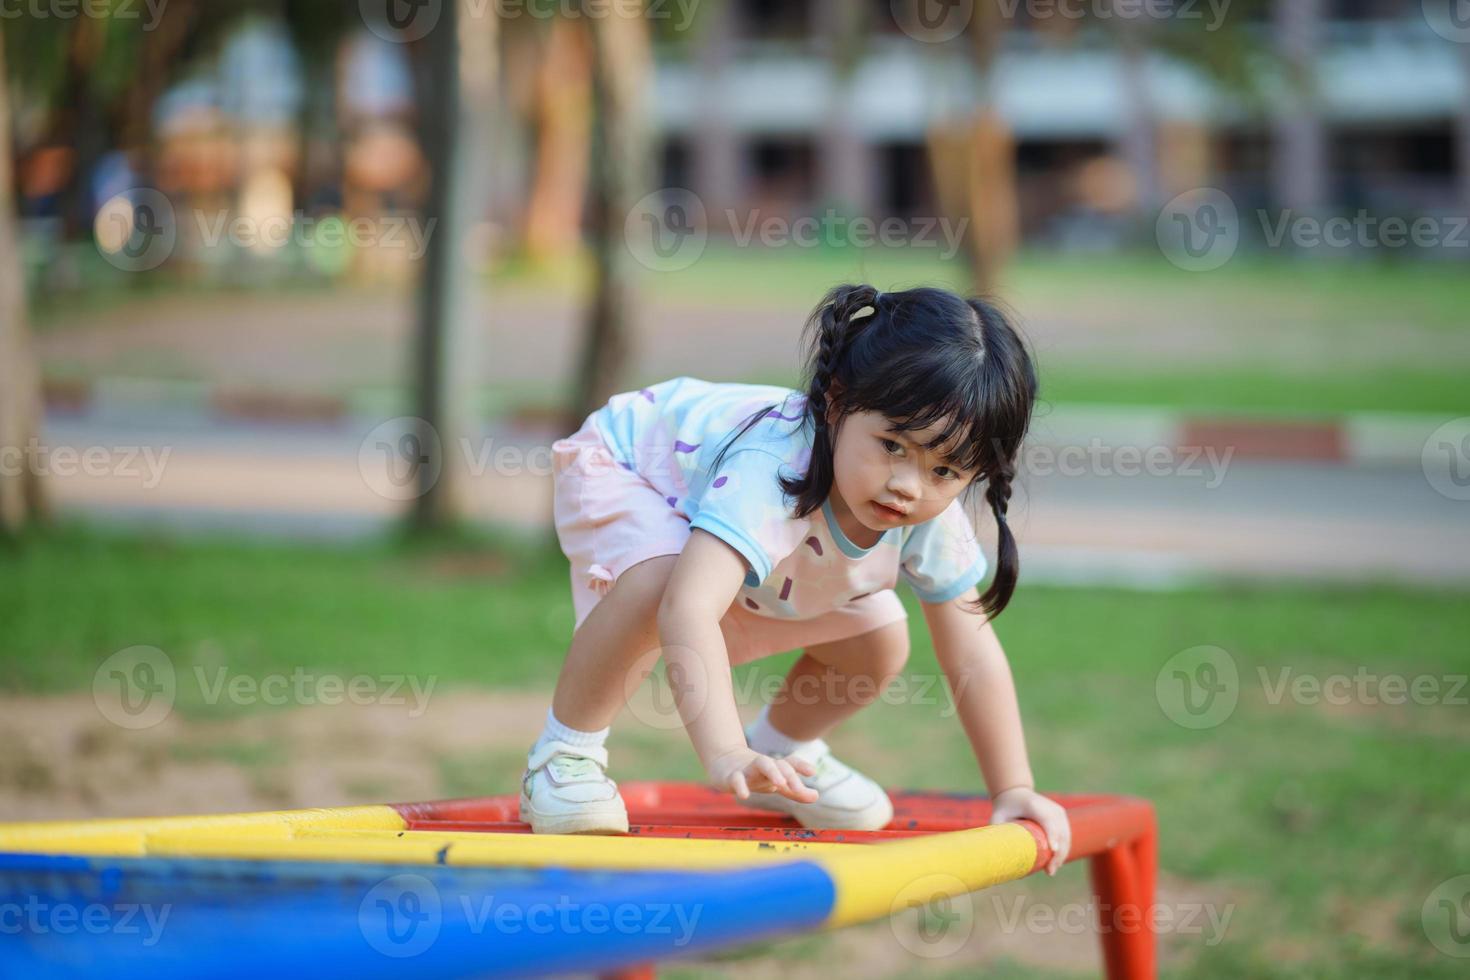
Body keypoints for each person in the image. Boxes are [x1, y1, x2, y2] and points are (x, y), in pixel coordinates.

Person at [520, 282, 1072, 874]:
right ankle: (564, 756)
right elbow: (688, 608)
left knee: (880, 637)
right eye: (891, 445)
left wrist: (1013, 786)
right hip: (628, 462)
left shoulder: (928, 510)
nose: (909, 485)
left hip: (716, 522)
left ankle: (780, 756)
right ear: (836, 403)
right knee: (661, 582)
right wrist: (723, 751)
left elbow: (972, 652)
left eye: (945, 468)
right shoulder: (774, 462)